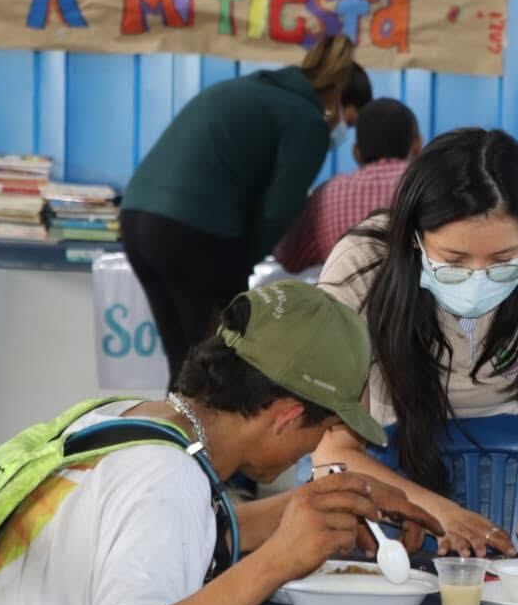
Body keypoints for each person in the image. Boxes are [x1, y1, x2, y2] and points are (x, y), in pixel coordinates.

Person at [0, 281, 442, 605]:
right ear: (286, 416)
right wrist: (276, 562)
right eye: (324, 429)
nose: (317, 445)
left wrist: (322, 503)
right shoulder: (166, 477)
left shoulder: (133, 419)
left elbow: (177, 536)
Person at [317, 127, 518, 557]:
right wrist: (437, 512)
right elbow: (333, 449)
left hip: (510, 468)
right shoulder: (362, 266)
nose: (478, 278)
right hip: (383, 471)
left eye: (503, 260)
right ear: (413, 239)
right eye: (454, 260)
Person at [121, 35, 373, 386]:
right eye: (351, 120)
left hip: (135, 218)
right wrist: (241, 267)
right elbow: (280, 208)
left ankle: (180, 418)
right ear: (338, 99)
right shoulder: (306, 120)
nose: (344, 129)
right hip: (191, 229)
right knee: (214, 366)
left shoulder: (253, 90)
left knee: (186, 362)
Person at [274, 97, 422, 274]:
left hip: (343, 291)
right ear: (417, 144)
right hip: (414, 292)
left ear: (356, 152)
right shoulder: (429, 188)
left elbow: (291, 261)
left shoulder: (326, 195)